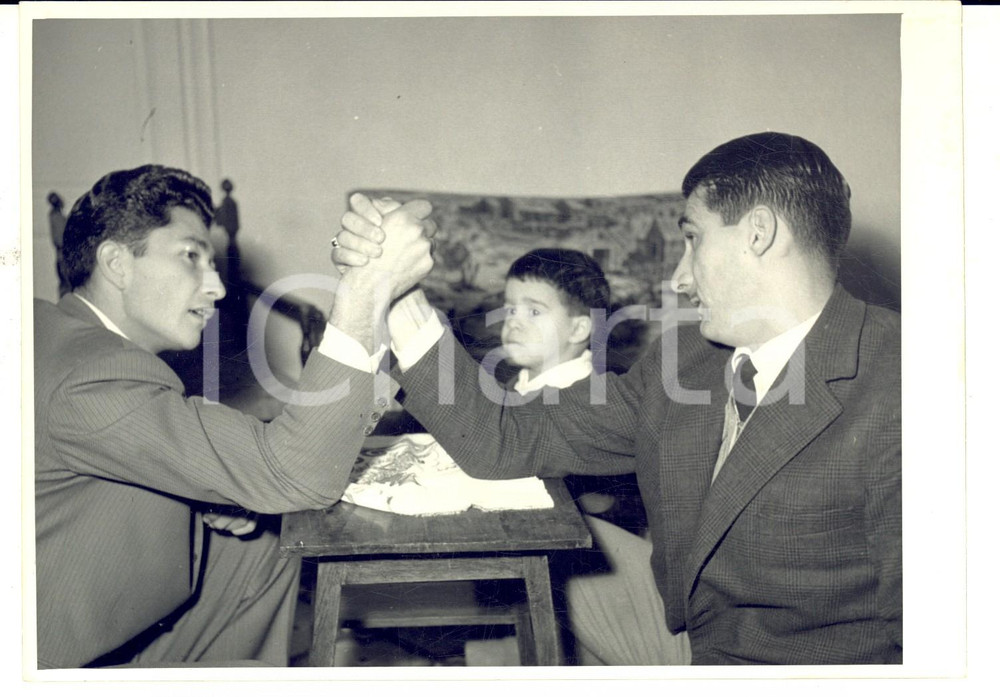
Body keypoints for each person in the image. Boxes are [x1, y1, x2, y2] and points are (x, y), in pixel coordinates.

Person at [336, 132, 902, 665]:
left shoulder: (908, 380)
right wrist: (396, 294)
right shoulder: (684, 361)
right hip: (689, 629)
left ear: (758, 232)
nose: (679, 279)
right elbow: (503, 439)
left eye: (692, 237)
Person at [33, 164, 434, 668]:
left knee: (255, 543)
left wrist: (192, 502)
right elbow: (293, 474)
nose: (217, 287)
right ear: (115, 262)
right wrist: (367, 290)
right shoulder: (93, 376)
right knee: (275, 506)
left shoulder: (51, 334)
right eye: (190, 257)